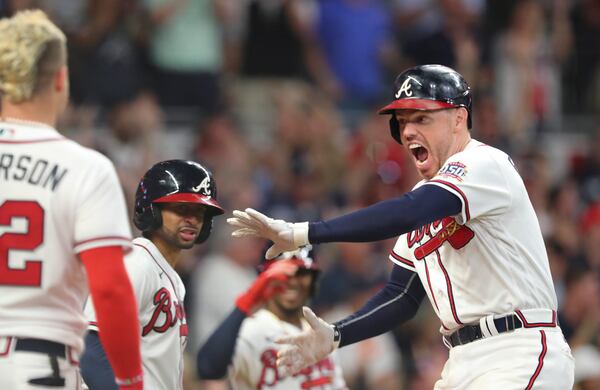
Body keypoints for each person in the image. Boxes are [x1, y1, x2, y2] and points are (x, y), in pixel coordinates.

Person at [228, 64, 575, 389]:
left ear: (459, 119)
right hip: (462, 360)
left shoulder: (483, 163)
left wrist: (305, 232)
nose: (408, 130)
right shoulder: (424, 199)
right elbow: (401, 297)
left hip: (519, 348)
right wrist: (336, 335)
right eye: (403, 121)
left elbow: (409, 212)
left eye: (422, 117)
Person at [0, 10, 143, 390]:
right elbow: (110, 289)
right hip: (35, 363)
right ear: (61, 79)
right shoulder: (86, 168)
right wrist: (130, 380)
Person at [80, 159, 224, 390]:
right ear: (152, 209)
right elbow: (92, 350)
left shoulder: (169, 276)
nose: (193, 219)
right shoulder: (137, 262)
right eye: (181, 208)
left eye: (200, 211)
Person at [196, 247, 347, 389]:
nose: (292, 281)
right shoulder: (252, 329)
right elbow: (208, 368)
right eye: (282, 273)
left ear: (314, 280)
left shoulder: (319, 330)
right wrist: (247, 301)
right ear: (264, 278)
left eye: (301, 273)